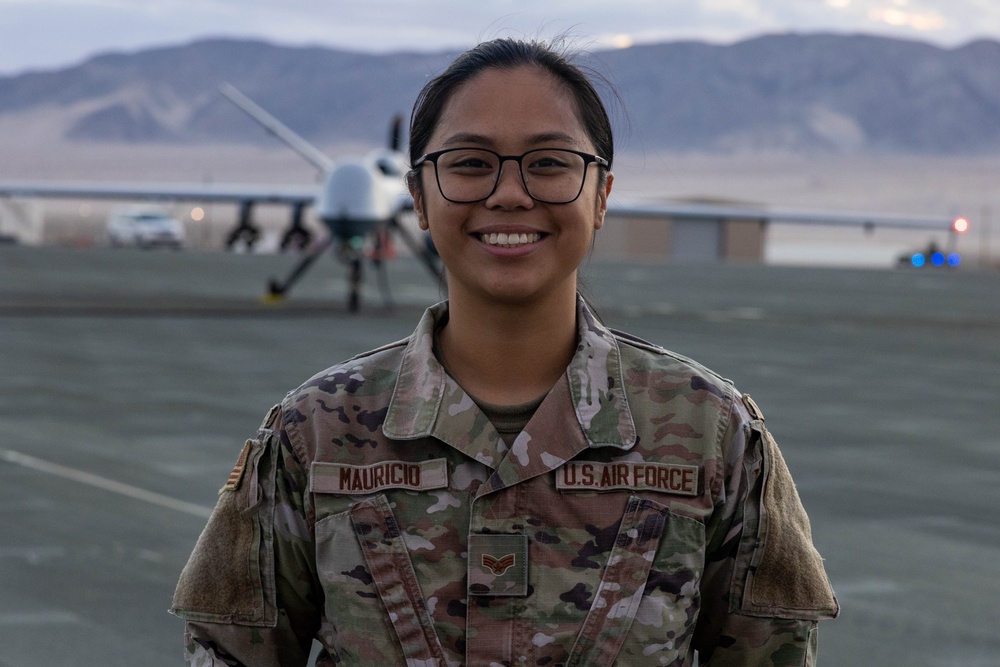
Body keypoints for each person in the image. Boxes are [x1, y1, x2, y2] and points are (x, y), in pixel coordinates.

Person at [171, 37, 839, 666]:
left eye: (549, 162)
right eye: (469, 163)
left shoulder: (712, 437)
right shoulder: (311, 436)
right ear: (420, 199)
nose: (510, 192)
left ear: (602, 194)